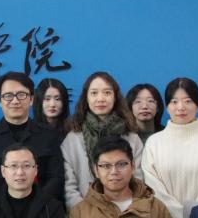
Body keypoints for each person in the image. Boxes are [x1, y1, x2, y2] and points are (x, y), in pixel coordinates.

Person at [0, 72, 65, 211]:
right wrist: (2, 206)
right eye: (8, 96)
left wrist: (35, 205)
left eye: (21, 95)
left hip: (42, 210)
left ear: (31, 99)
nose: (15, 101)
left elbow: (56, 177)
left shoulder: (49, 135)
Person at [140, 77, 198, 218]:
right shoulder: (154, 143)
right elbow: (153, 186)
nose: (181, 107)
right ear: (166, 106)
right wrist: (181, 215)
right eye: (174, 102)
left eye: (188, 101)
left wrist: (195, 216)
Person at [61, 71, 144, 209]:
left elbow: (138, 180)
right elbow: (68, 186)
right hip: (85, 213)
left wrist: (126, 209)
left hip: (126, 212)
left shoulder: (131, 138)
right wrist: (84, 213)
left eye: (107, 93)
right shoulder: (73, 139)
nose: (100, 99)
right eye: (94, 93)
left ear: (115, 97)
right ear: (86, 98)